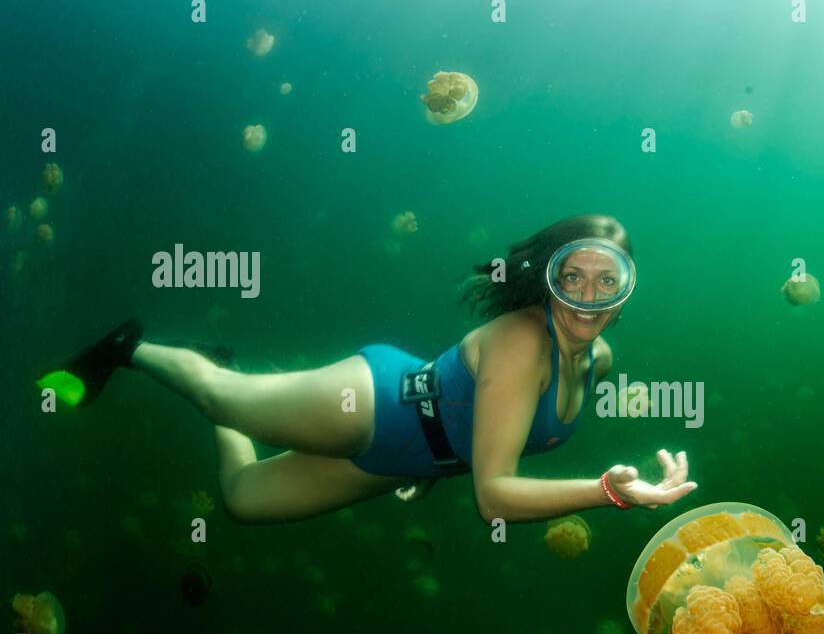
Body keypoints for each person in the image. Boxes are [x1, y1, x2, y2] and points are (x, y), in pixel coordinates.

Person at [37, 214, 697, 525]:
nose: (586, 295)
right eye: (571, 275)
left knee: (240, 501)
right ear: (547, 279)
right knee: (219, 400)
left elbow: (486, 418)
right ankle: (127, 349)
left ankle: (216, 365)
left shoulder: (600, 360)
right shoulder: (523, 343)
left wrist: (443, 464)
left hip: (411, 460)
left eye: (605, 281)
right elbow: (494, 495)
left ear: (624, 292)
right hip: (377, 401)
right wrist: (608, 490)